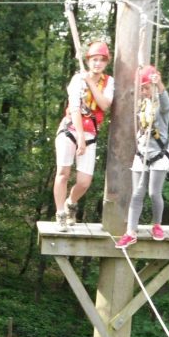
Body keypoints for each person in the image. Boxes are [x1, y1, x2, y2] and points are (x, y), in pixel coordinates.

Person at [53, 41, 115, 231]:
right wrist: (79, 137)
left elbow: (105, 105)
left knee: (84, 182)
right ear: (88, 61)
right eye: (94, 60)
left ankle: (71, 203)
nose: (97, 63)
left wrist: (90, 82)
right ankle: (60, 214)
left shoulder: (108, 82)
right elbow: (74, 109)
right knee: (63, 173)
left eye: (101, 60)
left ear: (106, 62)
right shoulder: (76, 79)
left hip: (91, 132)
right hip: (70, 130)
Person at [115, 65, 169, 248]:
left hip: (159, 153)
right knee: (137, 194)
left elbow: (165, 104)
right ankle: (131, 232)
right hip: (142, 153)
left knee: (153, 193)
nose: (144, 91)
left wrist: (159, 84)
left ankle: (157, 224)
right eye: (142, 88)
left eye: (147, 87)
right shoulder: (142, 104)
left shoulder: (163, 105)